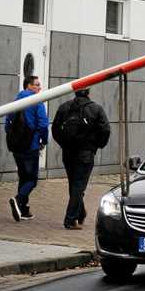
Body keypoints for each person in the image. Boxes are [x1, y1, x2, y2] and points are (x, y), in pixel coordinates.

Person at [52, 88, 110, 230]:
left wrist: (64, 144)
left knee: (74, 185)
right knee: (78, 186)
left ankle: (80, 213)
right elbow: (106, 130)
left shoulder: (65, 107)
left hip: (68, 153)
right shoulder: (96, 109)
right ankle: (70, 220)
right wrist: (97, 145)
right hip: (85, 153)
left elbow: (55, 129)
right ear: (88, 93)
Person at [4, 76, 49, 222]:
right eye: (37, 85)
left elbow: (7, 124)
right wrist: (43, 140)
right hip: (31, 145)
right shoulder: (37, 102)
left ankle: (22, 210)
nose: (39, 88)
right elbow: (43, 124)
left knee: (23, 177)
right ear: (28, 86)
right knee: (32, 180)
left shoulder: (16, 101)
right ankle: (17, 200)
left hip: (17, 147)